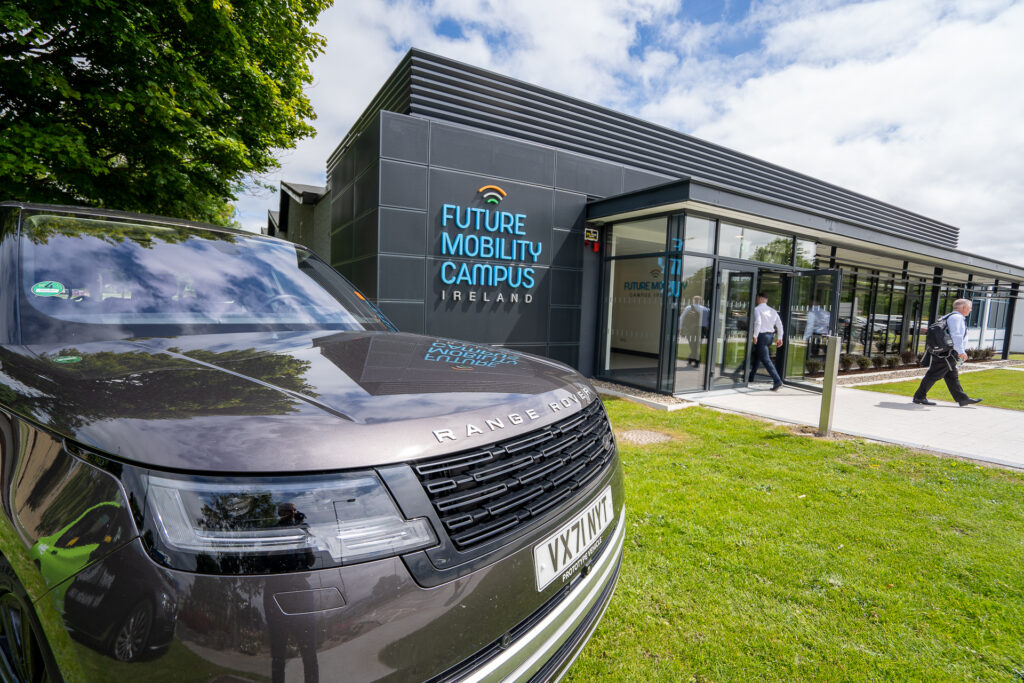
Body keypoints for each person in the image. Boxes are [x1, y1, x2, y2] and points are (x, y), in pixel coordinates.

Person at [913, 298, 982, 407]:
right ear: (964, 307)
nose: (971, 310)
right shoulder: (957, 318)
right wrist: (961, 351)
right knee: (934, 375)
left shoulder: (948, 316)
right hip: (948, 353)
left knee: (951, 376)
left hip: (945, 352)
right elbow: (957, 336)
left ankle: (962, 399)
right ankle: (919, 396)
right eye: (970, 307)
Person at [749, 292, 784, 391]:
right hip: (770, 336)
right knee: (758, 355)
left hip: (762, 336)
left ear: (759, 298)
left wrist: (755, 335)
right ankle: (751, 377)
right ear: (766, 300)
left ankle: (777, 380)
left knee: (765, 359)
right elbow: (780, 325)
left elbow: (758, 322)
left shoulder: (757, 309)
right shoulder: (773, 311)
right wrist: (780, 338)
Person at [679, 295, 710, 367]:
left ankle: (696, 361)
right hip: (702, 329)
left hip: (691, 328)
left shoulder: (689, 308)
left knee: (692, 344)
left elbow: (681, 318)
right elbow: (708, 321)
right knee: (697, 345)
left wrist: (680, 328)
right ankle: (691, 359)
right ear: (700, 301)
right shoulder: (706, 309)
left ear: (693, 300)